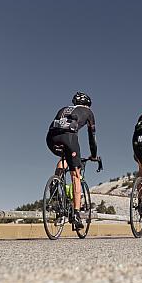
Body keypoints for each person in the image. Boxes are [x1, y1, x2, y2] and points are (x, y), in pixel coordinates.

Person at [46, 92, 98, 230]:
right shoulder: (88, 112)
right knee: (76, 175)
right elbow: (91, 137)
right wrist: (94, 155)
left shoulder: (63, 109)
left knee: (64, 159)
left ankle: (56, 184)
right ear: (88, 104)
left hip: (51, 138)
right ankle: (76, 214)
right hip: (68, 139)